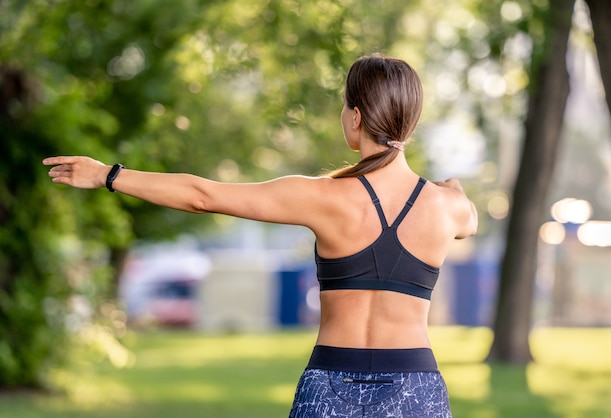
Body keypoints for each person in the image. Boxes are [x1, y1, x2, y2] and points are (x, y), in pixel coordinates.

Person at [43, 53, 477, 417]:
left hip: (329, 387)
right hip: (416, 391)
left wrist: (108, 174)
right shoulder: (448, 208)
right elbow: (470, 218)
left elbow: (202, 196)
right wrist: (451, 189)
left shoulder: (320, 197)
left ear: (356, 116)